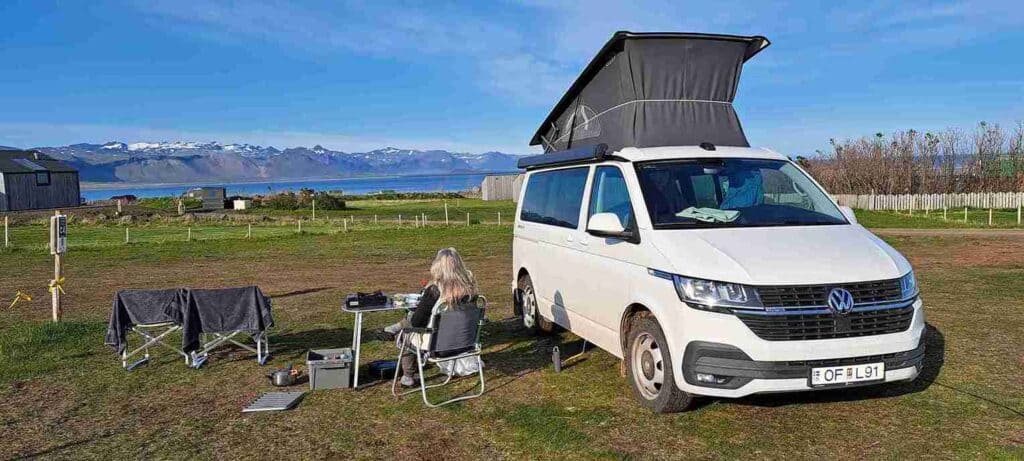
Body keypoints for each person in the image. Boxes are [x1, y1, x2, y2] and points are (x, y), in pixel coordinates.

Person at [389, 247, 478, 387]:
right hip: (466, 343)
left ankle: (408, 377)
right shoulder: (471, 290)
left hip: (438, 346)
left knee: (405, 334)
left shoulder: (435, 290)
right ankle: (395, 328)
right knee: (410, 327)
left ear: (437, 266)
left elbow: (417, 322)